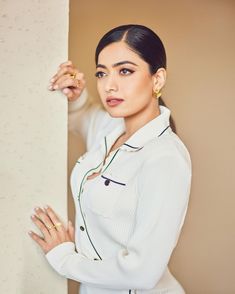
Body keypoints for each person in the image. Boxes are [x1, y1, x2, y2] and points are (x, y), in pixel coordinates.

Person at [29, 24, 192, 294]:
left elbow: (142, 272)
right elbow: (82, 117)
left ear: (158, 79)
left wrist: (65, 259)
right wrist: (74, 93)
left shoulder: (165, 158)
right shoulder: (111, 128)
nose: (110, 85)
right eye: (101, 73)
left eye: (125, 70)